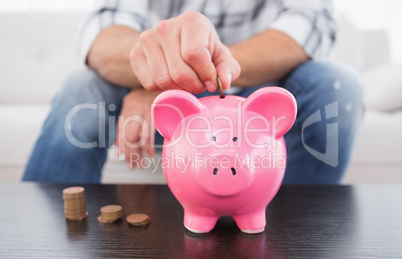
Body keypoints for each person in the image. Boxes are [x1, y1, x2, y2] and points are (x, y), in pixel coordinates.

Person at [22, 0, 363, 184]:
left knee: (337, 86)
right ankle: (44, 234)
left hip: (256, 96)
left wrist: (174, 82)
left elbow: (301, 33)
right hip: (154, 95)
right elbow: (102, 39)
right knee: (79, 89)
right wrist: (152, 80)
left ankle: (288, 235)